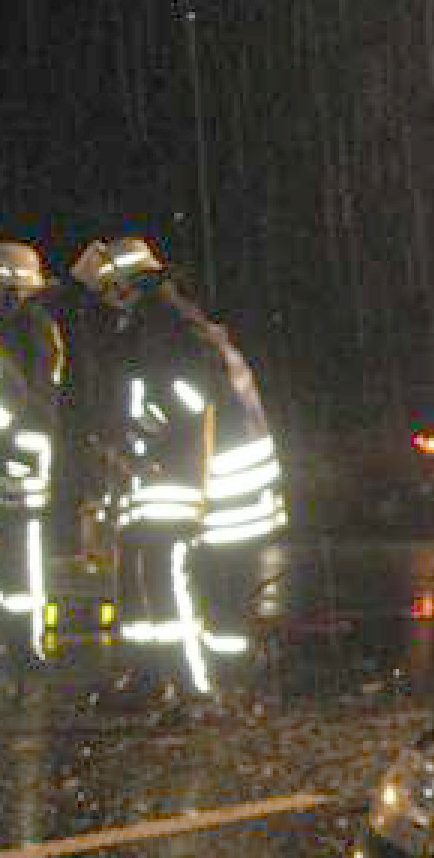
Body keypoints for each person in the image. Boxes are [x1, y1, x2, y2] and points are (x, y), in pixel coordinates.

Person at [70, 235, 284, 703]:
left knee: (172, 574)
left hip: (201, 473)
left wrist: (138, 437)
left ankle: (196, 685)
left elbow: (186, 396)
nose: (103, 302)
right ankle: (158, 674)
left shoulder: (167, 326)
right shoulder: (159, 321)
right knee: (152, 569)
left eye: (106, 290)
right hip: (181, 469)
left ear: (125, 284)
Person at [0, 240, 66, 669]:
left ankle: (23, 647)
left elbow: (26, 402)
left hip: (19, 459)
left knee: (18, 558)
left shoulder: (31, 330)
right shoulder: (6, 326)